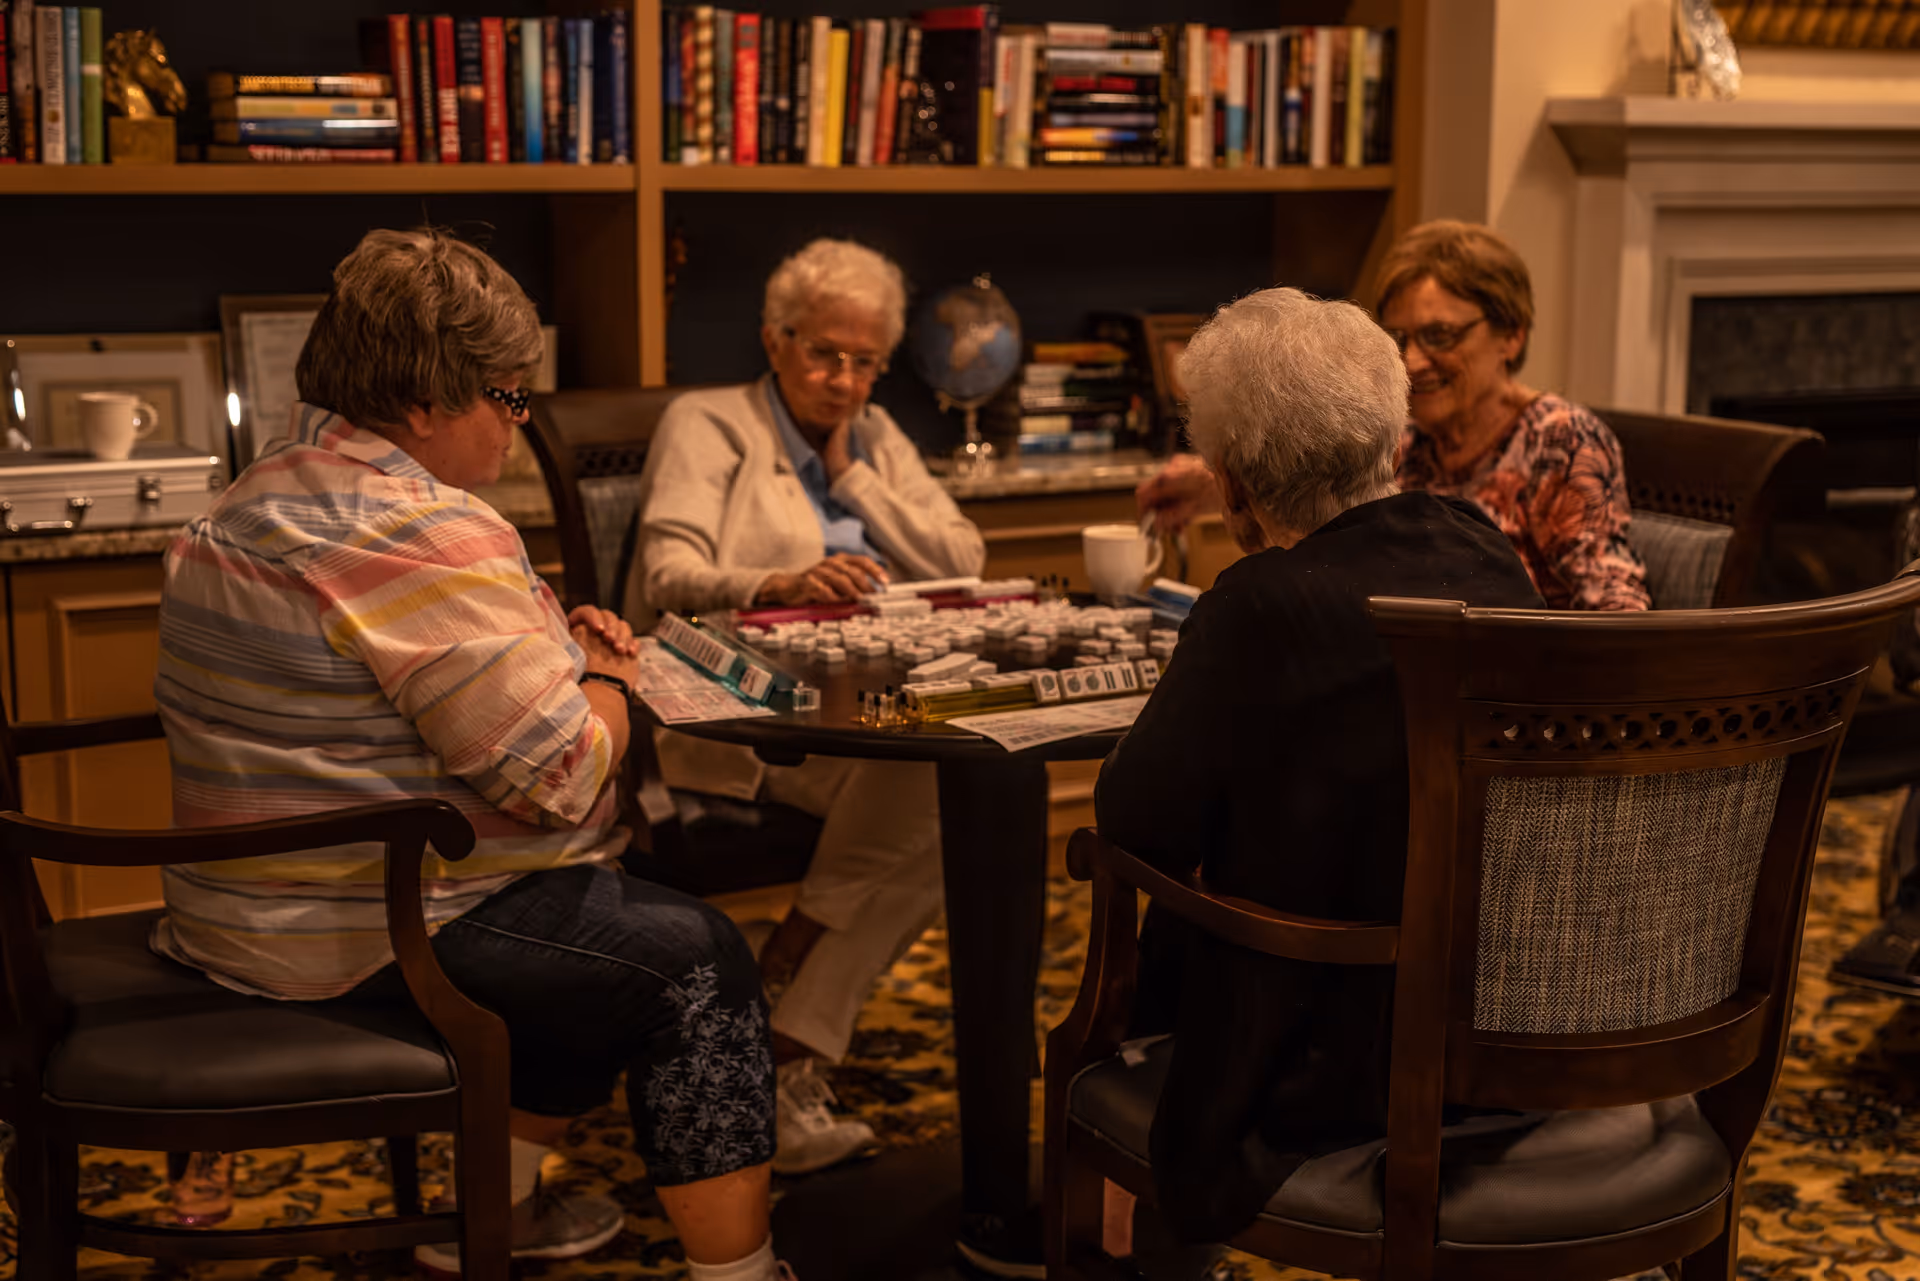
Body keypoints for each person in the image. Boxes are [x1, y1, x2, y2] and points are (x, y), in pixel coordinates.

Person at [153, 228, 793, 1281]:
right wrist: (608, 678)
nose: (516, 425)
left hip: (239, 907)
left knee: (599, 923)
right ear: (424, 401)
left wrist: (556, 652)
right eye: (509, 396)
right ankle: (743, 1274)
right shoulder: (413, 528)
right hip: (367, 931)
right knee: (691, 959)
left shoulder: (253, 495)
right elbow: (567, 775)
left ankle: (490, 1213)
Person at [1095, 287, 1544, 1248]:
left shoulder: (1256, 604)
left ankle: (1132, 1246)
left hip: (1336, 1059)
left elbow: (1137, 824)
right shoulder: (1481, 549)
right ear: (1388, 445)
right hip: (1513, 1021)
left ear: (1235, 484)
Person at [625, 238, 987, 1177]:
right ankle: (788, 1030)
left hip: (864, 719)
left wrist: (854, 474)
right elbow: (666, 577)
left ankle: (783, 1026)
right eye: (825, 353)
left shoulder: (871, 432)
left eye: (866, 361)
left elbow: (964, 559)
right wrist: (780, 577)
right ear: (774, 339)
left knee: (962, 786)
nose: (844, 379)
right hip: (745, 724)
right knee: (951, 790)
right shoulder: (708, 423)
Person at [1137, 219, 1650, 611]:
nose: (1415, 361)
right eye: (1399, 338)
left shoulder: (1562, 441)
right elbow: (1318, 485)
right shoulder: (1407, 435)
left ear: (1510, 334)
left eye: (1440, 336)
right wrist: (1214, 483)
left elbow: (1618, 614)